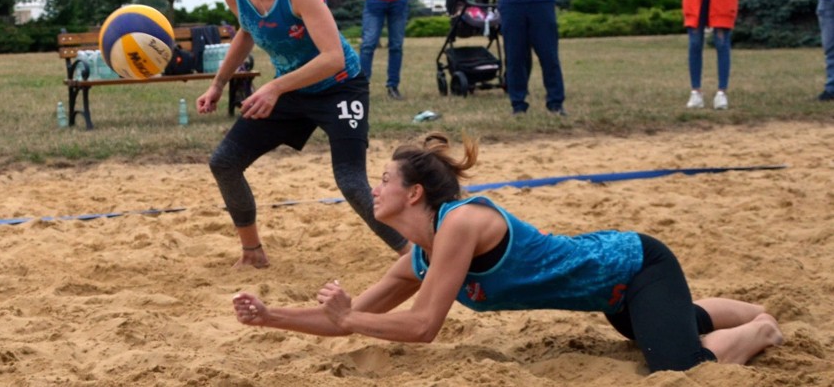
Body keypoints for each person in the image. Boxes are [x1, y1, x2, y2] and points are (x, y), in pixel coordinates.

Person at [232, 131, 784, 373]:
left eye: (383, 181)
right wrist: (272, 317)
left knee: (677, 365)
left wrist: (351, 317)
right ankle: (743, 312)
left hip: (637, 264)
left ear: (415, 193)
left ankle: (762, 328)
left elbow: (423, 326)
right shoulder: (417, 257)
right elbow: (347, 321)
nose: (375, 190)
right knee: (671, 323)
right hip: (615, 297)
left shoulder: (462, 223)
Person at [196, 0, 409, 268]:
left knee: (351, 181)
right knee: (224, 162)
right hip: (292, 90)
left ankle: (414, 254)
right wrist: (218, 84)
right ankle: (253, 253)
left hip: (340, 86)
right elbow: (247, 32)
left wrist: (275, 87)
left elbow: (333, 58)